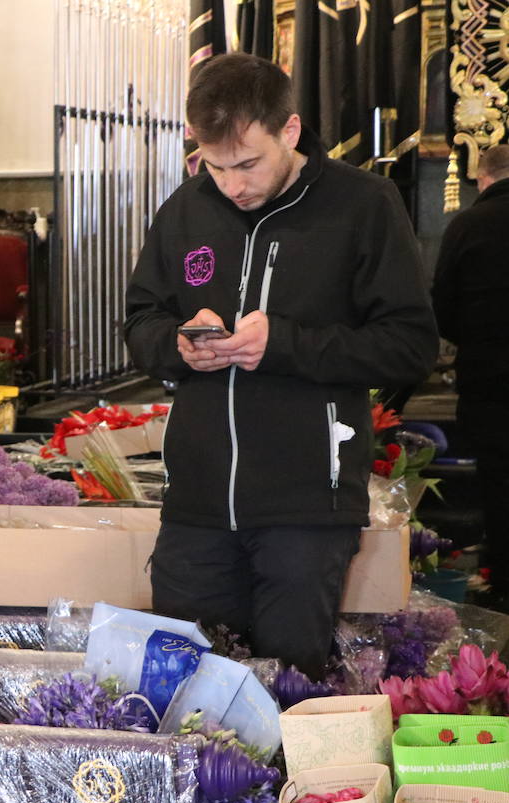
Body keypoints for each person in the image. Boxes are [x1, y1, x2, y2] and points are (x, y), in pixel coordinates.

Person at [123, 53, 439, 678]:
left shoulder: (363, 205)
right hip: (197, 507)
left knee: (286, 693)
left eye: (248, 163)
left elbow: (410, 345)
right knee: (184, 695)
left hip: (308, 507)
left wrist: (285, 344)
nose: (232, 184)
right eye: (214, 166)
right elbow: (140, 322)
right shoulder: (185, 210)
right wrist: (178, 346)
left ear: (290, 131)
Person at [431, 144, 509, 600]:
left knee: (498, 478)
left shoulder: (467, 225)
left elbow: (443, 311)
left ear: (482, 179)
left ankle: (502, 579)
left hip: (489, 379)